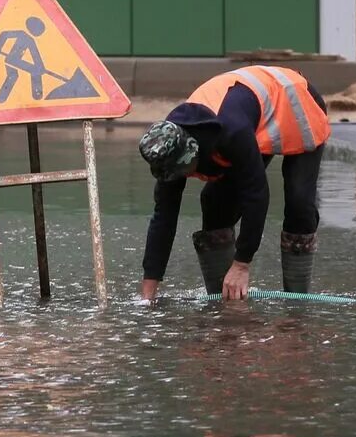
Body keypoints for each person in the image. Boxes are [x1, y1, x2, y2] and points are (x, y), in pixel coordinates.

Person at [136, 66, 331, 302]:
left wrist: (242, 263)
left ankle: (297, 302)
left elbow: (257, 194)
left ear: (192, 150)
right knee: (215, 203)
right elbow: (163, 217)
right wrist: (148, 293)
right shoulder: (166, 147)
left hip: (296, 102)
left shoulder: (230, 131)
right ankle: (224, 300)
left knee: (299, 200)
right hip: (256, 116)